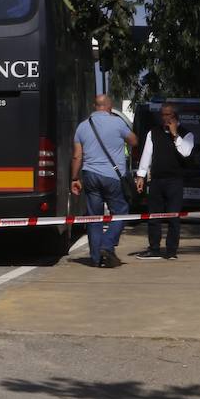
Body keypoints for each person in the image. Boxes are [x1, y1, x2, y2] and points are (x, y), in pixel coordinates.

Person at [71, 94, 138, 268]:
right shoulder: (117, 123)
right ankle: (107, 245)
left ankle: (95, 259)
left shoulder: (82, 127)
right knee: (121, 211)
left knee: (94, 217)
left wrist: (74, 178)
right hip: (112, 177)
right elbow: (134, 141)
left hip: (90, 176)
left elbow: (77, 156)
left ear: (95, 106)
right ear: (109, 107)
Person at [133, 103, 195, 260]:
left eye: (169, 115)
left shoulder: (186, 134)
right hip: (157, 181)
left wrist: (175, 136)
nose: (165, 118)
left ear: (175, 117)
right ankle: (154, 248)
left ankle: (171, 251)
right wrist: (141, 176)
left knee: (173, 217)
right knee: (154, 216)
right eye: (163, 115)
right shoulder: (153, 132)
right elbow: (146, 155)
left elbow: (186, 153)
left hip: (174, 181)